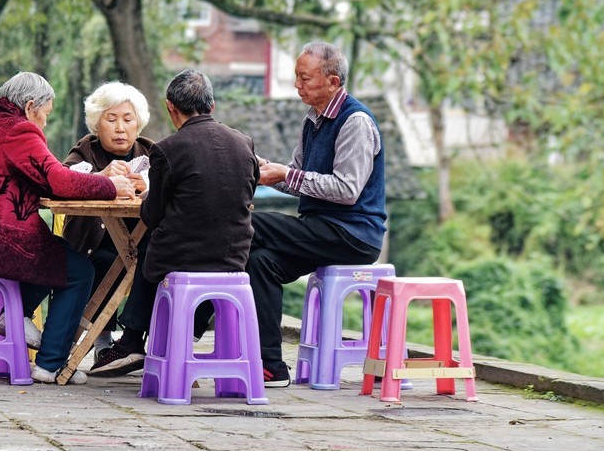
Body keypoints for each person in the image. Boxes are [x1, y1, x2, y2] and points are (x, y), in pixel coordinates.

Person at [0, 71, 135, 384]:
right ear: (30, 106)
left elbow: (42, 175)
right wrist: (109, 185)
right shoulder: (19, 130)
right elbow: (58, 180)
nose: (45, 124)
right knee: (78, 271)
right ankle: (51, 364)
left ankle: (15, 316)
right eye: (46, 115)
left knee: (55, 253)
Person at [89, 69, 260, 377]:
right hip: (235, 257)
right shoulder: (244, 143)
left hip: (182, 258)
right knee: (159, 249)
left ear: (171, 107)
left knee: (149, 249)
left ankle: (131, 342)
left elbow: (151, 215)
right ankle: (179, 338)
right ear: (212, 105)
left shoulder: (168, 149)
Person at [246, 41, 386, 387]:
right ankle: (272, 366)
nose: (297, 85)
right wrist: (266, 171)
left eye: (305, 78)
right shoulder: (313, 121)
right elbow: (298, 180)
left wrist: (286, 174)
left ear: (333, 82)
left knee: (246, 225)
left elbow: (346, 189)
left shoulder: (355, 121)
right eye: (296, 76)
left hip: (352, 233)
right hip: (318, 228)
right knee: (260, 261)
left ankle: (198, 321)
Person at [60, 82, 154, 352]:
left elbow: (171, 191)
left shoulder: (151, 153)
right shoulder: (84, 151)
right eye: (111, 119)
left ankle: (144, 343)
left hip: (141, 246)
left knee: (151, 265)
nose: (120, 128)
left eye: (128, 119)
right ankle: (102, 341)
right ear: (96, 124)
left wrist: (147, 187)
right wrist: (101, 179)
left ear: (139, 123)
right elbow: (63, 182)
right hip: (92, 243)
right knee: (105, 263)